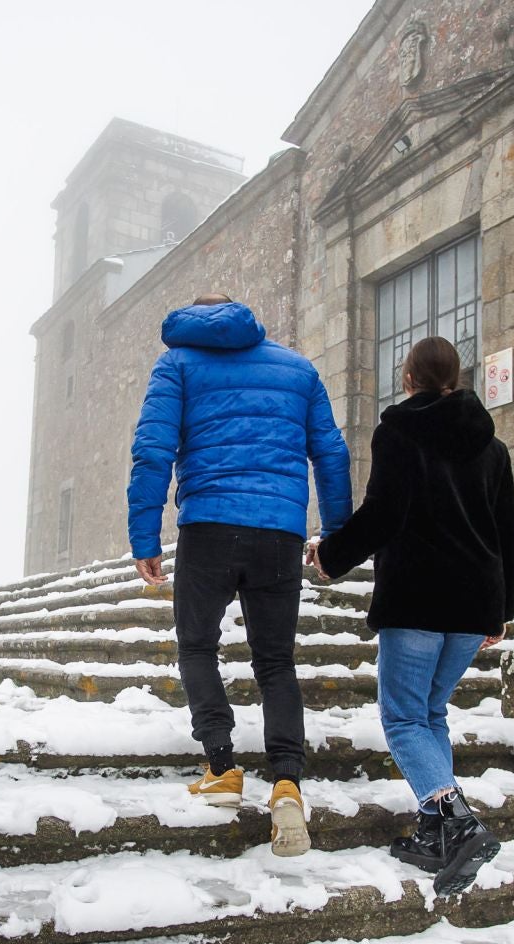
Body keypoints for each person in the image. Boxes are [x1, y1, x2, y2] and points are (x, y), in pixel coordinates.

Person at [128, 293, 352, 857]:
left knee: (198, 644)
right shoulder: (297, 369)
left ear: (189, 320)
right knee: (275, 660)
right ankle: (286, 783)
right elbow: (330, 453)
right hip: (279, 531)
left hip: (208, 528)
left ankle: (223, 768)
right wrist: (338, 534)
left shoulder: (176, 364)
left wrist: (145, 538)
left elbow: (152, 451)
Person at [313, 336, 514, 895]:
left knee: (403, 717)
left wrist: (331, 555)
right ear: (457, 376)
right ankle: (433, 833)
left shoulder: (399, 431)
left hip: (418, 596)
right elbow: (507, 532)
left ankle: (458, 819)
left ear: (408, 378)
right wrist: (501, 610)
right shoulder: (493, 446)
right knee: (430, 714)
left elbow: (384, 512)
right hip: (474, 600)